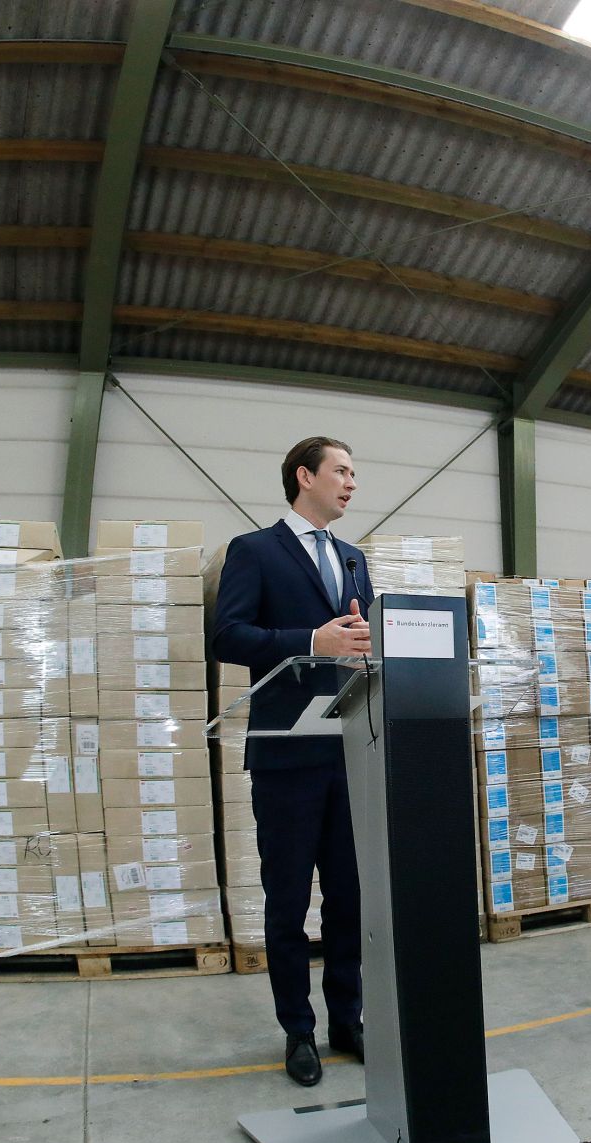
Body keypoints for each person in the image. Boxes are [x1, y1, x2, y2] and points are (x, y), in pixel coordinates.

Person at [211, 437, 373, 1086]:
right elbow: (227, 635)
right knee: (287, 902)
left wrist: (364, 647)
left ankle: (346, 1019)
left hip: (350, 752)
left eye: (355, 474)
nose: (351, 483)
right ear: (304, 476)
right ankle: (297, 1030)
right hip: (286, 757)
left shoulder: (355, 561)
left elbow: (359, 639)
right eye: (341, 471)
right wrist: (312, 639)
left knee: (348, 900)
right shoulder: (254, 551)